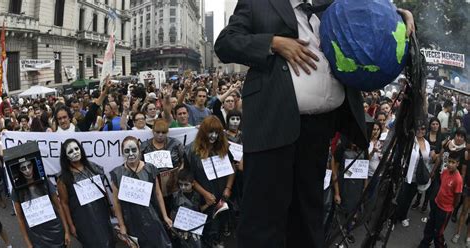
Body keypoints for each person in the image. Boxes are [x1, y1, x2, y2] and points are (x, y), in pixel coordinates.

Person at [215, 1, 414, 246]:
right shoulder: (259, 3)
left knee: (308, 217)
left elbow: (370, 14)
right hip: (274, 123)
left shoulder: (331, 7)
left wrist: (399, 16)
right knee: (264, 218)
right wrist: (274, 43)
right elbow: (225, 43)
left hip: (319, 130)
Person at [110, 136, 173, 248]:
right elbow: (116, 203)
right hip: (131, 221)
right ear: (122, 153)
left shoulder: (150, 168)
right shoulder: (117, 173)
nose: (131, 154)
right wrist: (122, 225)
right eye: (127, 151)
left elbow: (158, 194)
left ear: (139, 150)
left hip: (151, 217)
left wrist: (165, 216)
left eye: (134, 150)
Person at [184, 116, 235, 247]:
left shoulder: (223, 147)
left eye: (217, 132)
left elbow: (232, 168)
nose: (213, 136)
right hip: (203, 198)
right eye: (210, 132)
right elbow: (188, 178)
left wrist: (228, 188)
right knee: (207, 230)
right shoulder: (191, 150)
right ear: (203, 132)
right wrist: (205, 194)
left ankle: (218, 240)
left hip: (223, 196)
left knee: (221, 227)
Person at [57, 139, 115, 247]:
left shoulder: (93, 167)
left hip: (101, 214)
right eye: (70, 151)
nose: (75, 152)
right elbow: (64, 203)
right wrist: (71, 225)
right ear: (66, 157)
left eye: (76, 148)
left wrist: (110, 207)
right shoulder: (63, 178)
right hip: (82, 220)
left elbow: (103, 189)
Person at [12, 161, 71, 248]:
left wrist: (66, 231)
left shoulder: (44, 181)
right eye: (23, 168)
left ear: (33, 165)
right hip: (37, 236)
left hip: (55, 230)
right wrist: (28, 244)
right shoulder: (16, 190)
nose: (28, 170)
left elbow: (58, 207)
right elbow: (20, 219)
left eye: (29, 166)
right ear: (19, 170)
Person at [418, 152, 463, 248]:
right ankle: (424, 245)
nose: (450, 164)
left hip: (445, 210)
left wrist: (451, 207)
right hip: (436, 204)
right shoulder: (445, 171)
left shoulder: (458, 179)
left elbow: (457, 198)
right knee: (429, 227)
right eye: (449, 161)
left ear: (458, 164)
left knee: (438, 233)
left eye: (453, 162)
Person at [395, 124, 431, 227]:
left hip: (417, 178)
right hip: (407, 176)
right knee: (401, 198)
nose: (420, 130)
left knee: (409, 199)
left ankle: (403, 216)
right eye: (418, 128)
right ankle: (393, 218)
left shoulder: (427, 144)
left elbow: (426, 161)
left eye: (423, 128)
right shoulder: (410, 141)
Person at [170, 169, 204, 248]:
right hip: (180, 228)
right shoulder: (175, 196)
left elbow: (200, 210)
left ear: (192, 183)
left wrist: (208, 205)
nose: (183, 187)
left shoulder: (198, 196)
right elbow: (172, 212)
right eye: (180, 184)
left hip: (195, 226)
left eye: (186, 184)